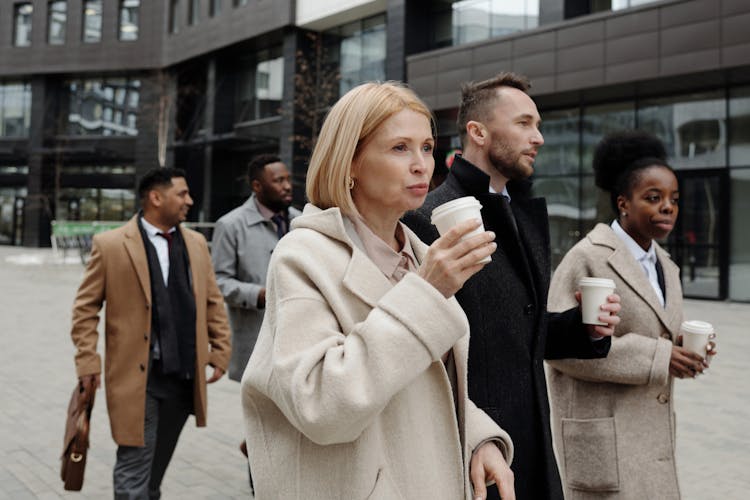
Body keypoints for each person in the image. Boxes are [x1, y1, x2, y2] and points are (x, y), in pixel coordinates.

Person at [241, 81, 517, 500]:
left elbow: (423, 382)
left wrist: (480, 438)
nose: (422, 164)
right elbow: (321, 405)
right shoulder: (303, 254)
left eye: (426, 147)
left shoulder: (421, 253)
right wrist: (426, 292)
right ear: (349, 162)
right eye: (399, 148)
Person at [403, 72, 621, 500]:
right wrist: (473, 436)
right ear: (478, 132)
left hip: (533, 439)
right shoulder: (428, 217)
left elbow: (517, 333)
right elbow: (428, 349)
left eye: (537, 125)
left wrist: (584, 329)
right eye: (523, 123)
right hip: (473, 450)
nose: (537, 137)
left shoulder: (520, 214)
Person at [546, 130, 716, 499]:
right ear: (623, 203)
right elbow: (559, 349)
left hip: (651, 437)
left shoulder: (666, 265)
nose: (667, 207)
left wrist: (682, 348)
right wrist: (660, 356)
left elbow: (659, 335)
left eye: (673, 199)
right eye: (653, 198)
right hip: (606, 439)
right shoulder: (587, 256)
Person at [70, 167, 232, 499]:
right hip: (136, 377)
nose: (190, 200)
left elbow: (212, 301)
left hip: (185, 374)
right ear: (156, 198)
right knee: (133, 464)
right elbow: (85, 309)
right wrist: (88, 361)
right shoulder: (111, 245)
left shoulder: (197, 243)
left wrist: (220, 349)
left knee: (156, 467)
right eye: (182, 194)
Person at [211, 154, 301, 485]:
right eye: (278, 181)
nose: (287, 185)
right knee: (266, 427)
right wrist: (259, 294)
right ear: (257, 186)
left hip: (302, 339)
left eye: (288, 179)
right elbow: (218, 281)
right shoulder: (230, 225)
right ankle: (261, 486)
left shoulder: (301, 220)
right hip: (258, 344)